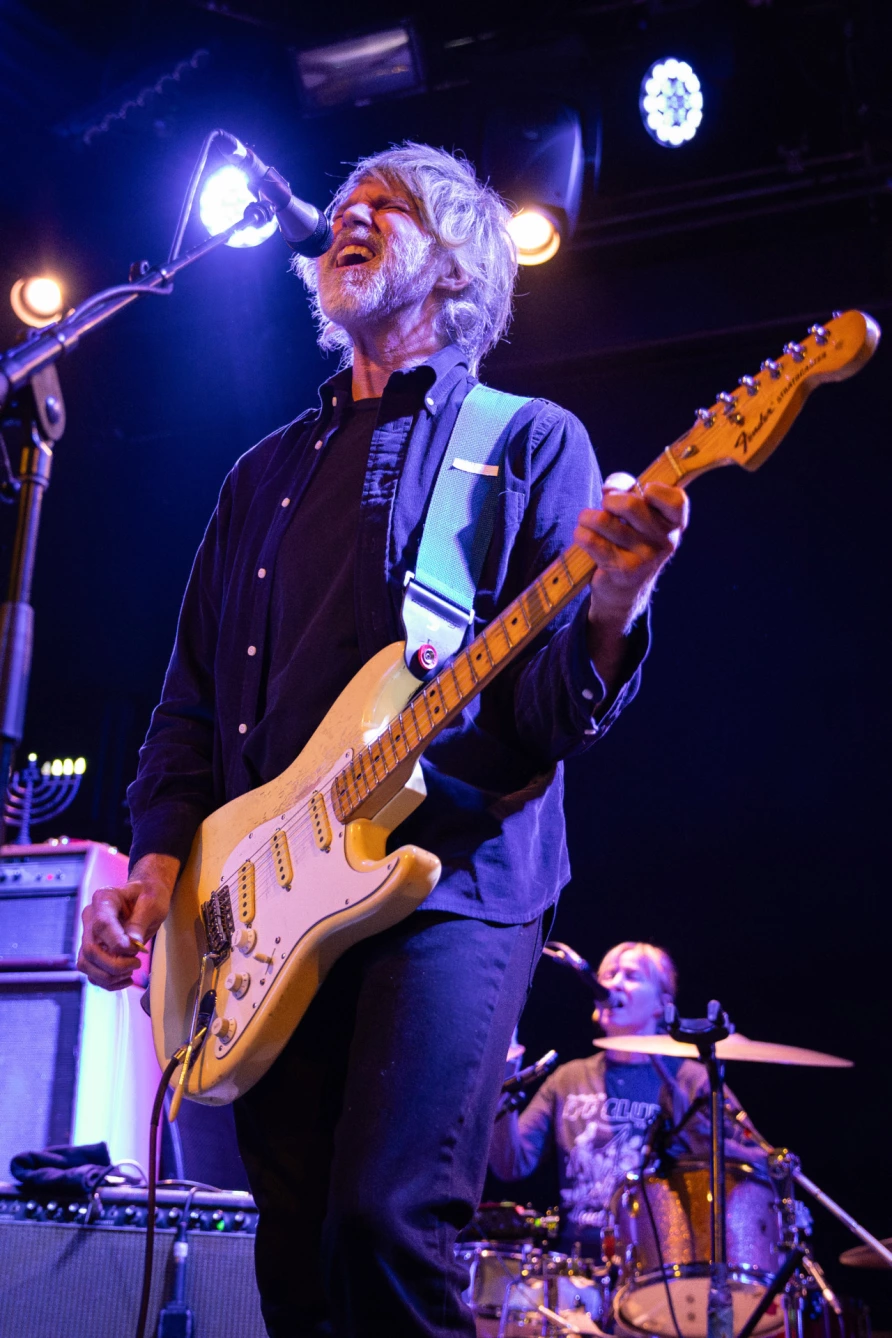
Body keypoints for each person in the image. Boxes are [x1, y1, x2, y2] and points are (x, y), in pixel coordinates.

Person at [77, 144, 689, 1337]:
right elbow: (190, 706)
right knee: (296, 1256)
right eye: (346, 203)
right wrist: (156, 870)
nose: (349, 216)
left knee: (384, 1224)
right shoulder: (260, 476)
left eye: (389, 206)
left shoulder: (525, 441)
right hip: (268, 906)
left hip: (450, 884)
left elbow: (546, 717)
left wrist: (615, 601)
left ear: (457, 264)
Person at [489, 940, 760, 1256]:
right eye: (608, 975)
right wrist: (505, 1067)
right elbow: (510, 1164)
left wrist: (700, 1139)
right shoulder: (568, 1078)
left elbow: (756, 1158)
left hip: (660, 1263)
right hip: (578, 1263)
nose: (614, 984)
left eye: (631, 976)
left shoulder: (690, 1079)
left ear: (661, 1003)